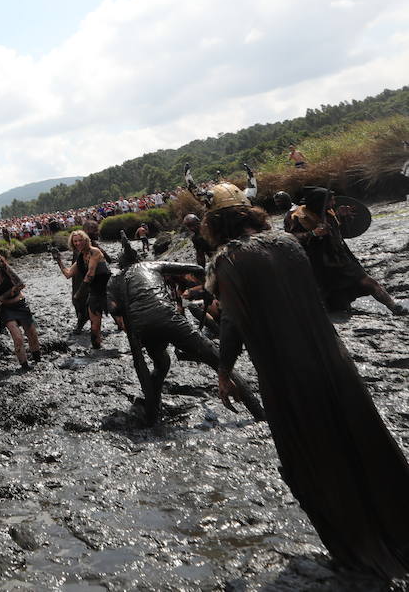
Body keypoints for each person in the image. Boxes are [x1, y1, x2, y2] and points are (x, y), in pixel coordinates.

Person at [203, 183, 409, 581]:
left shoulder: (228, 260)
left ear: (214, 224)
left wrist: (224, 371)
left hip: (286, 372)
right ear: (251, 215)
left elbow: (232, 323)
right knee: (361, 436)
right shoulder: (287, 243)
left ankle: (355, 547)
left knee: (313, 453)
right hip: (331, 360)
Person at [107, 236, 263, 425]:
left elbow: (113, 308)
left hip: (143, 327)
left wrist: (125, 304)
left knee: (161, 364)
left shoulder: (114, 281)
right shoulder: (152, 266)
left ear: (120, 265)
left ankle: (153, 412)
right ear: (138, 259)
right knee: (216, 358)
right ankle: (258, 412)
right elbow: (196, 268)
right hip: (168, 318)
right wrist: (208, 289)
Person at [284, 185, 406, 315]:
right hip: (320, 265)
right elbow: (290, 238)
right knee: (334, 302)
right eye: (331, 200)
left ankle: (394, 307)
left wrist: (342, 217)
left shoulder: (330, 213)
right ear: (320, 203)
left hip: (341, 259)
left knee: (369, 282)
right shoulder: (298, 218)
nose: (334, 203)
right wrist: (313, 234)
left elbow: (341, 233)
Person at [0, 250, 40, 370]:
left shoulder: (5, 268)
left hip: (19, 303)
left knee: (32, 334)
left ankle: (37, 360)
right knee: (17, 337)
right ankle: (24, 365)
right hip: (5, 309)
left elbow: (20, 284)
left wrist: (2, 297)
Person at [52, 231, 111, 350]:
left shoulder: (94, 251)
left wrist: (79, 293)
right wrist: (59, 261)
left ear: (85, 240)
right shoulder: (80, 257)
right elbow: (68, 274)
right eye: (75, 241)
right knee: (94, 329)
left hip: (108, 290)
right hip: (94, 293)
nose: (78, 243)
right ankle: (98, 352)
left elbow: (90, 274)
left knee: (121, 322)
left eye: (80, 240)